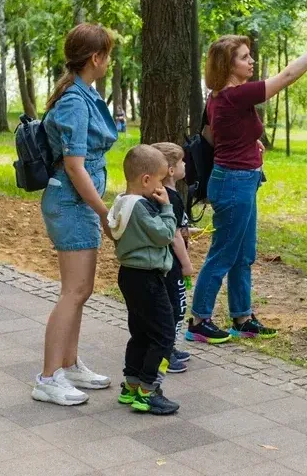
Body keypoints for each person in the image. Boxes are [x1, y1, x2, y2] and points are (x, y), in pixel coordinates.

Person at [186, 25, 307, 344]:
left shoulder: (220, 98)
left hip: (241, 179)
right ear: (228, 66)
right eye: (244, 57)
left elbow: (217, 137)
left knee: (243, 255)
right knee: (222, 254)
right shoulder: (234, 95)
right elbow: (286, 77)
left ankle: (241, 317)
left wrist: (250, 145)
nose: (251, 61)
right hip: (233, 184)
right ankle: (199, 320)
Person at [32, 23, 119, 407]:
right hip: (72, 204)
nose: (109, 62)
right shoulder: (74, 102)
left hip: (77, 203)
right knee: (74, 291)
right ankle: (48, 377)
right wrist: (104, 212)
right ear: (96, 58)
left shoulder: (81, 94)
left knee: (80, 291)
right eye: (108, 55)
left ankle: (68, 364)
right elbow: (74, 166)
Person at [108, 145, 180, 415]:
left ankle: (132, 383)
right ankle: (149, 391)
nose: (162, 186)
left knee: (140, 332)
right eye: (160, 180)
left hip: (129, 275)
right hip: (147, 277)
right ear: (146, 180)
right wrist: (167, 209)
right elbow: (163, 235)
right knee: (164, 334)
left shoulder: (121, 202)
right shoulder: (140, 207)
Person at [152, 142, 194, 373]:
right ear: (170, 170)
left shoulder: (166, 195)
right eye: (181, 161)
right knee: (175, 307)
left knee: (173, 306)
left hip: (167, 262)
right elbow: (174, 235)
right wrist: (186, 264)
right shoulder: (171, 198)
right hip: (172, 263)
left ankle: (169, 347)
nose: (185, 164)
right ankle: (165, 352)